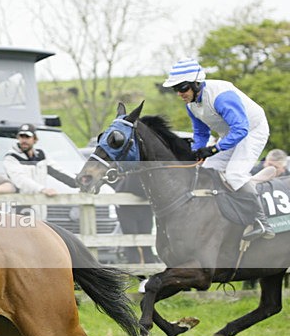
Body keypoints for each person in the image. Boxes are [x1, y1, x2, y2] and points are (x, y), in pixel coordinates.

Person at [163, 58, 274, 240]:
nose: (179, 93)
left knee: (235, 174)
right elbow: (200, 132)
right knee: (207, 169)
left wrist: (213, 150)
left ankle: (261, 222)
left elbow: (241, 129)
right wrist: (198, 152)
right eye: (176, 89)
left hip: (252, 130)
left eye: (183, 88)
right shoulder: (191, 104)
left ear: (196, 83)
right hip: (230, 134)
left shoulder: (221, 97)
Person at [3, 123, 77, 219]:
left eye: (27, 137)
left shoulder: (41, 155)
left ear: (35, 139)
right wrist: (42, 189)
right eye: (21, 136)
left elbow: (58, 171)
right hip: (20, 208)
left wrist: (79, 181)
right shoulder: (11, 158)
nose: (24, 140)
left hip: (40, 208)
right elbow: (20, 180)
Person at [113, 173, 158, 264]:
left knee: (146, 238)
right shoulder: (134, 174)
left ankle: (150, 266)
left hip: (144, 209)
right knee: (131, 239)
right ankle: (136, 269)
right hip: (127, 210)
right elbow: (134, 187)